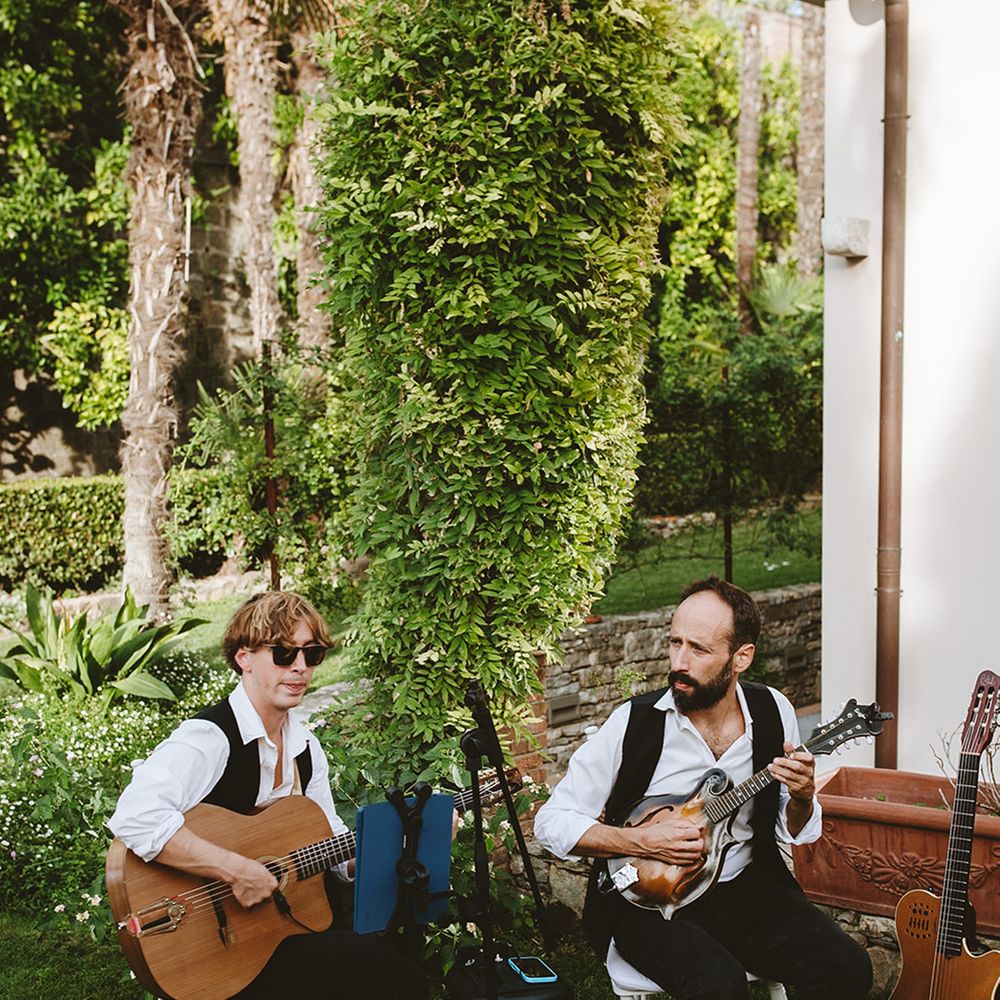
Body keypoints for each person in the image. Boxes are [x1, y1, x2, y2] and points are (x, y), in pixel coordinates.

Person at [534, 576, 872, 1000]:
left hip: (747, 888)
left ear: (741, 657)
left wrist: (803, 797)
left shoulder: (773, 710)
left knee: (847, 968)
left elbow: (794, 829)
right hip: (647, 901)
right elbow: (551, 822)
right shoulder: (635, 723)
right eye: (675, 643)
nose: (679, 662)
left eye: (698, 649)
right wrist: (640, 840)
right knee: (718, 986)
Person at [108, 590, 427, 999]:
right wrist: (236, 870)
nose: (300, 667)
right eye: (283, 653)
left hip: (277, 931)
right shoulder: (209, 738)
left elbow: (331, 846)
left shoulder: (305, 747)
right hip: (216, 949)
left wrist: (399, 841)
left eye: (311, 654)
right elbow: (136, 816)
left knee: (397, 962)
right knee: (386, 972)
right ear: (244, 657)